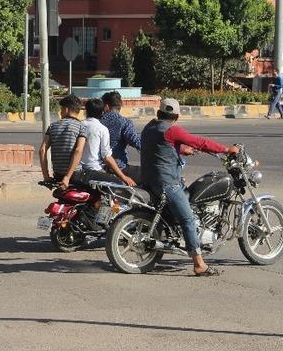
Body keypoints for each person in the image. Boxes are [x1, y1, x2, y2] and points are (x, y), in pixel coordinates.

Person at [140, 98, 239, 277]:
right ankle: (199, 264)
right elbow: (199, 142)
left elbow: (158, 147)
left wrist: (180, 150)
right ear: (177, 117)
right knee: (188, 219)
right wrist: (225, 149)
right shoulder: (172, 130)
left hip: (149, 180)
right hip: (167, 183)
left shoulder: (149, 127)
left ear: (158, 113)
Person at [77, 98, 136, 187]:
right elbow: (106, 157)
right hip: (94, 169)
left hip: (77, 170)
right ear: (102, 113)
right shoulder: (102, 129)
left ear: (86, 111)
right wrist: (123, 177)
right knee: (120, 185)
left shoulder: (78, 125)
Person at [39, 94, 88, 189]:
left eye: (61, 109)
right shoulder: (81, 127)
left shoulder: (52, 126)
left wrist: (46, 176)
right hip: (75, 175)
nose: (60, 113)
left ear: (66, 109)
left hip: (57, 175)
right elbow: (78, 150)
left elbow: (42, 150)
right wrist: (67, 177)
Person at [100, 91, 142, 182]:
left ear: (106, 106)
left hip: (98, 167)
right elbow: (136, 142)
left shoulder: (97, 121)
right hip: (119, 167)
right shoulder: (124, 122)